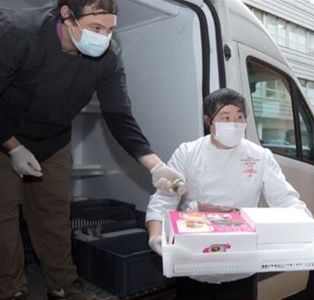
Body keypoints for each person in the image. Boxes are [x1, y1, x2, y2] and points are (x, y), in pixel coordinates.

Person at [0, 1, 185, 299]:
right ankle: (11, 288)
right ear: (66, 15)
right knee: (3, 215)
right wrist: (14, 148)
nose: (103, 37)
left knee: (54, 213)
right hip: (4, 134)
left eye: (110, 29)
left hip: (54, 139)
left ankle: (62, 283)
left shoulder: (109, 56)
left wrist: (155, 165)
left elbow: (119, 115)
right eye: (96, 28)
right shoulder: (19, 33)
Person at [146, 88, 311, 300]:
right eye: (225, 118)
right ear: (208, 121)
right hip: (193, 263)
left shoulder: (259, 156)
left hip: (241, 266)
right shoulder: (188, 152)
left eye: (239, 117)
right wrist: (155, 236)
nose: (234, 123)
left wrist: (306, 225)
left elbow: (285, 198)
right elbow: (163, 200)